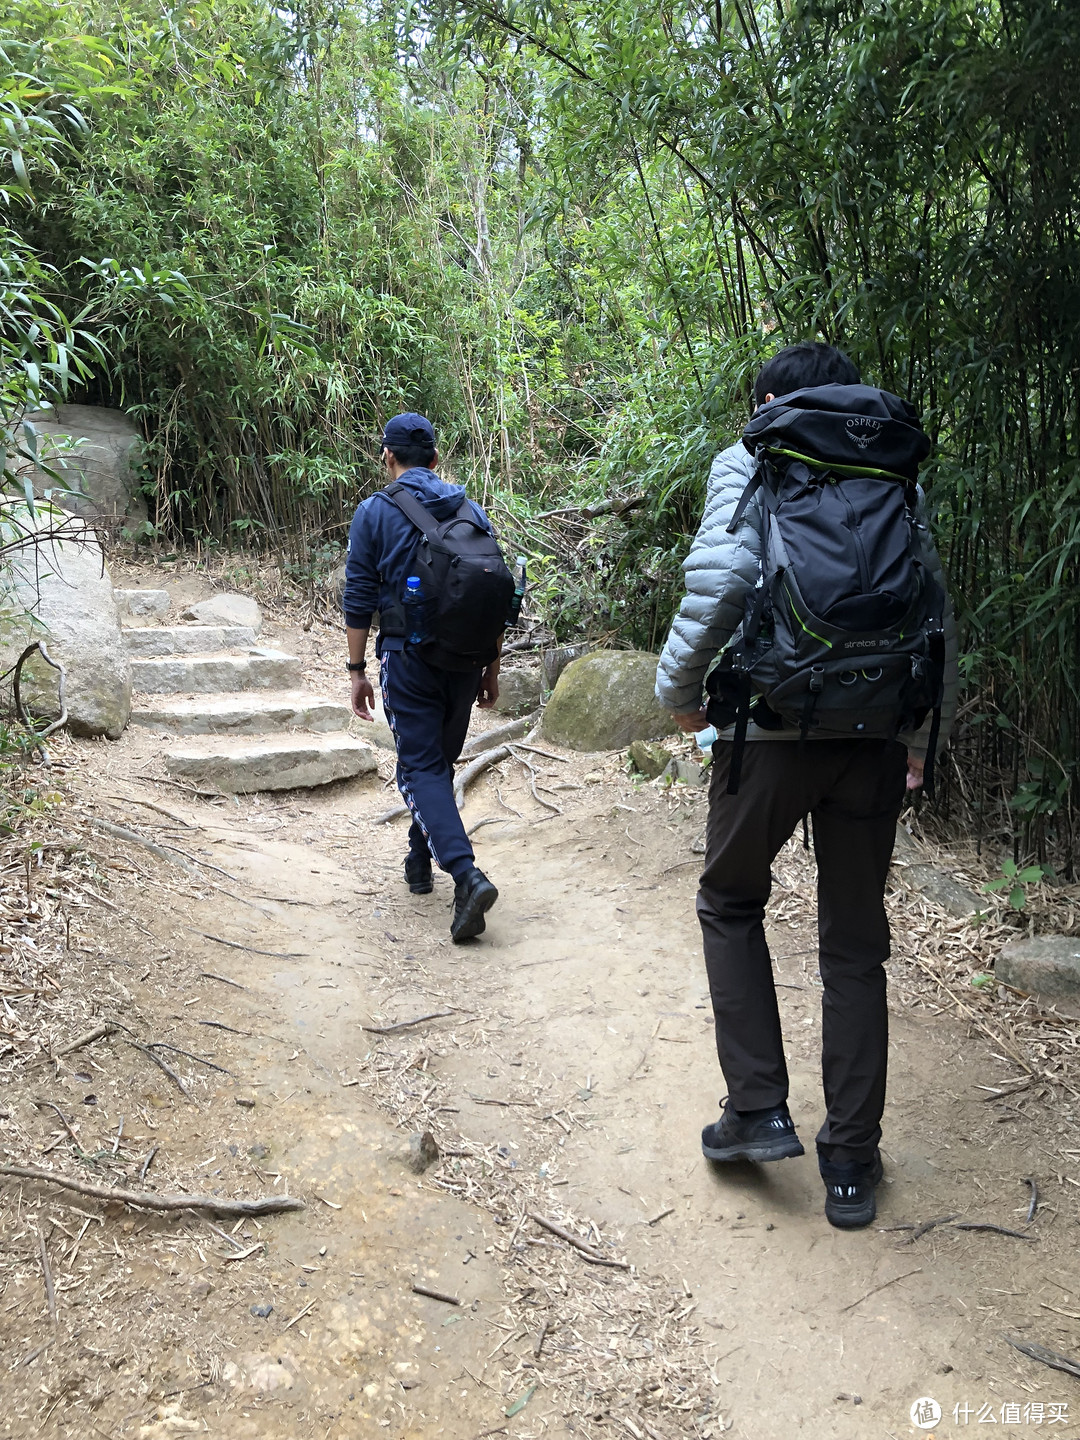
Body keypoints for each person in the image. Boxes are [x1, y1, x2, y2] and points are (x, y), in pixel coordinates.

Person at [655, 342, 958, 1228]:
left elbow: (724, 578)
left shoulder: (752, 455)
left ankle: (756, 1109)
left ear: (774, 399)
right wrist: (914, 733)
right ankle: (852, 1166)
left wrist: (677, 695)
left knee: (730, 901)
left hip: (772, 729)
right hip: (869, 736)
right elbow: (934, 607)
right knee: (855, 946)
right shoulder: (893, 467)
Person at [343, 412, 501, 942]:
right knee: (438, 762)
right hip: (465, 659)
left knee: (417, 769)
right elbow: (494, 593)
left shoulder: (374, 513)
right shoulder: (469, 507)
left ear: (388, 456)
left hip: (407, 659)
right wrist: (490, 667)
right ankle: (418, 859)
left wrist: (357, 670)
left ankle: (466, 874)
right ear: (436, 459)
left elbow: (359, 597)